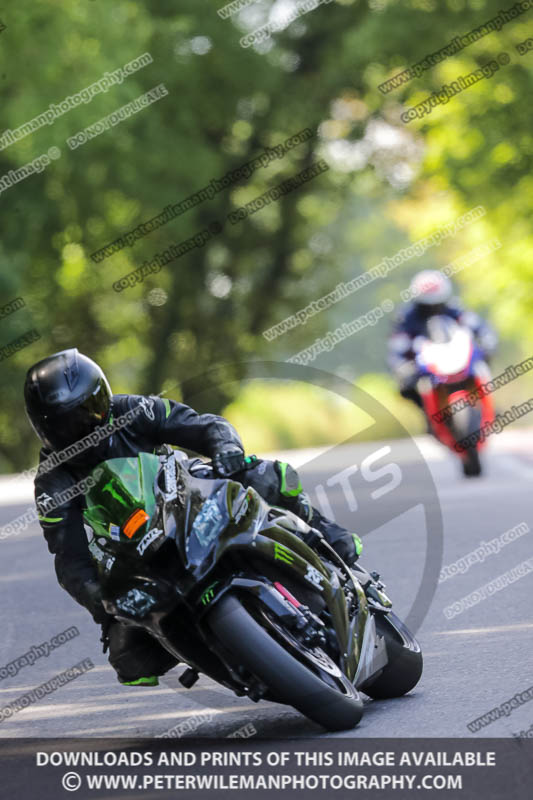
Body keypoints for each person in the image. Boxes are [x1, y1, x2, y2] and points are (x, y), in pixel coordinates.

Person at [24, 348, 363, 686]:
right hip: (130, 547)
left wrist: (225, 448)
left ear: (104, 397)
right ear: (45, 430)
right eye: (67, 424)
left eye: (89, 411)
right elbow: (69, 557)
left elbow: (202, 426)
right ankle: (220, 652)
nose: (83, 426)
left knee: (264, 476)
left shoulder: (135, 410)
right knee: (130, 657)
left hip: (187, 494)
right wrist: (97, 598)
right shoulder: (51, 482)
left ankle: (326, 535)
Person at [388, 270, 498, 409]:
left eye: (436, 305)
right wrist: (402, 366)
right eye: (427, 306)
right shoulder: (406, 317)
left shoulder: (454, 308)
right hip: (424, 366)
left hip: (457, 357)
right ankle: (429, 416)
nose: (432, 308)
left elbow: (478, 326)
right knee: (406, 386)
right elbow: (398, 347)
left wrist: (488, 341)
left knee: (482, 366)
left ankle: (489, 407)